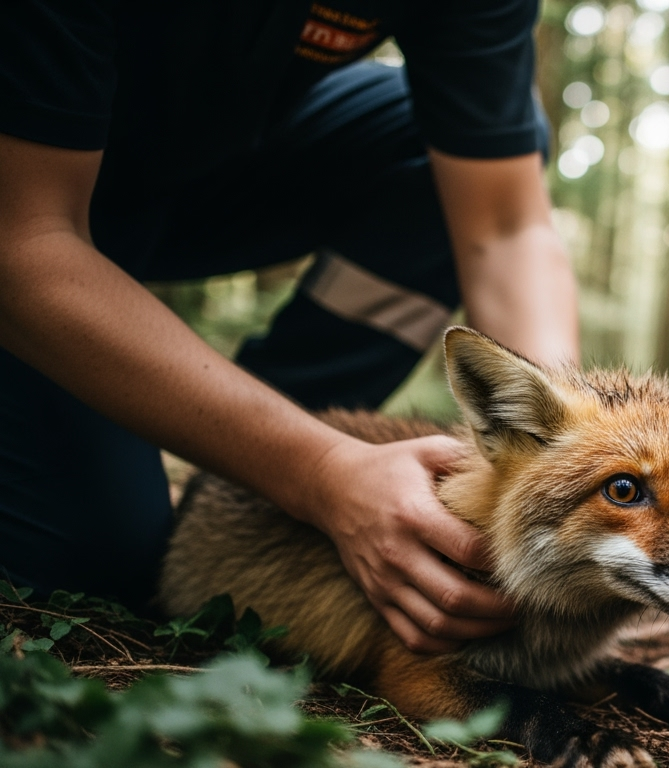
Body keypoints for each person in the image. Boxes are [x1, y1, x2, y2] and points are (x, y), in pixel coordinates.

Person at [0, 1, 578, 655]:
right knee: (101, 567)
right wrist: (323, 472)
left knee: (442, 154)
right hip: (32, 202)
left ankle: (243, 492)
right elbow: (18, 246)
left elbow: (504, 227)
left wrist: (576, 441)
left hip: (194, 172)